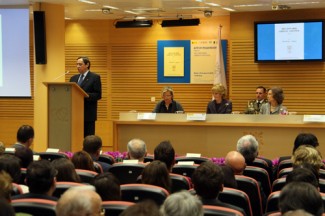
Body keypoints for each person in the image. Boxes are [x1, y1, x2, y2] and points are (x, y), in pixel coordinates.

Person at [70, 56, 102, 137]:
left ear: (87, 65)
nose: (78, 66)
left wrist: (84, 95)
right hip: (75, 114)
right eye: (77, 64)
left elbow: (98, 95)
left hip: (88, 114)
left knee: (88, 138)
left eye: (80, 64)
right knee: (75, 137)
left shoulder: (94, 77)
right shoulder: (73, 78)